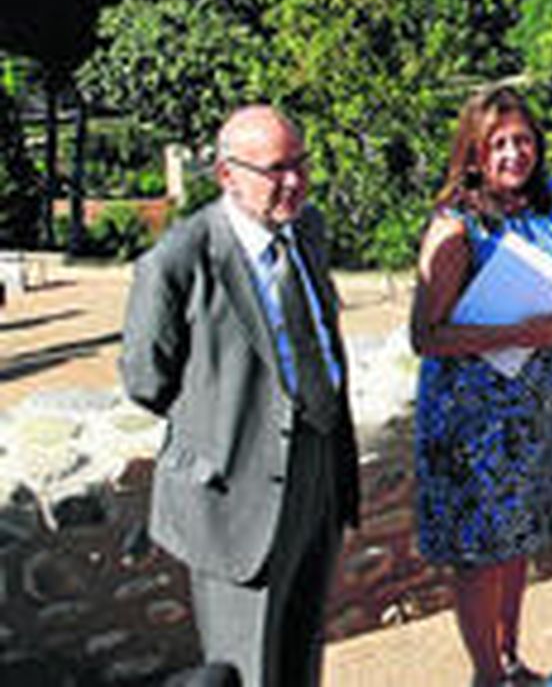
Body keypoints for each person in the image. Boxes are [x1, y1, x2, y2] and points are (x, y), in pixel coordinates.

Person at [120, 105, 360, 687]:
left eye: (301, 164)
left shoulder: (307, 229)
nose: (294, 181)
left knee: (303, 648)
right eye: (276, 169)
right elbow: (146, 380)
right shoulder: (178, 259)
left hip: (319, 466)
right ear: (227, 174)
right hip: (235, 494)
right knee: (247, 668)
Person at [411, 85, 552, 686]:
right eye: (497, 143)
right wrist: (514, 333)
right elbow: (425, 335)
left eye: (522, 140)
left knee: (517, 540)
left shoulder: (550, 201)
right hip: (472, 422)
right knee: (480, 553)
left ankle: (510, 660)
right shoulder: (456, 226)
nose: (512, 153)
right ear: (474, 153)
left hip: (534, 412)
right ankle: (488, 677)